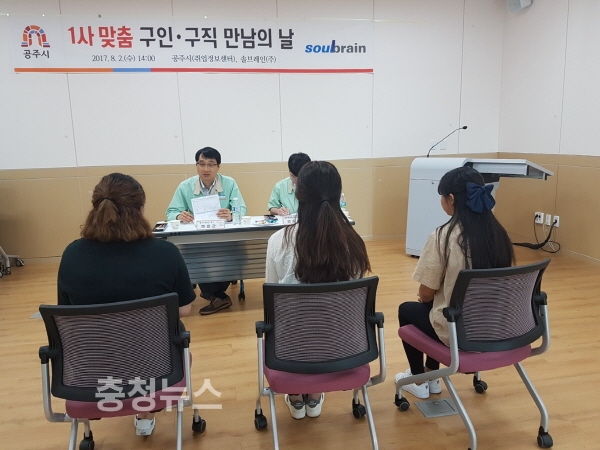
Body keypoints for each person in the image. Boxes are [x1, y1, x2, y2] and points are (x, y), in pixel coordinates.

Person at [57, 173, 196, 437]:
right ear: (140, 209)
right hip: (157, 371)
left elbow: (67, 314)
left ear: (95, 208)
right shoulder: (165, 253)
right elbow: (184, 309)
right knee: (174, 342)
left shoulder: (73, 255)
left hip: (88, 376)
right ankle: (144, 412)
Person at [396, 166, 515, 399]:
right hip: (497, 326)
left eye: (442, 196)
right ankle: (431, 374)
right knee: (435, 308)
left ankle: (419, 379)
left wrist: (428, 296)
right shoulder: (500, 234)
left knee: (409, 310)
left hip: (460, 331)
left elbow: (426, 293)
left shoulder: (444, 236)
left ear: (451, 199)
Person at [265, 161, 371, 419]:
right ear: (338, 194)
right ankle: (313, 397)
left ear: (298, 194)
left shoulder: (279, 241)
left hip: (290, 350)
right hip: (344, 346)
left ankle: (295, 397)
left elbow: (271, 301)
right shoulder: (355, 244)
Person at [166, 146, 246, 315]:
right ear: (196, 166)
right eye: (201, 164)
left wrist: (231, 215)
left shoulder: (229, 183)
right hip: (197, 238)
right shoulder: (185, 186)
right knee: (192, 255)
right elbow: (171, 212)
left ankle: (215, 294)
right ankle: (216, 295)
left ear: (218, 167)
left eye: (211, 164)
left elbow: (242, 209)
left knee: (238, 253)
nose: (206, 169)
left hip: (224, 237)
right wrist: (180, 215)